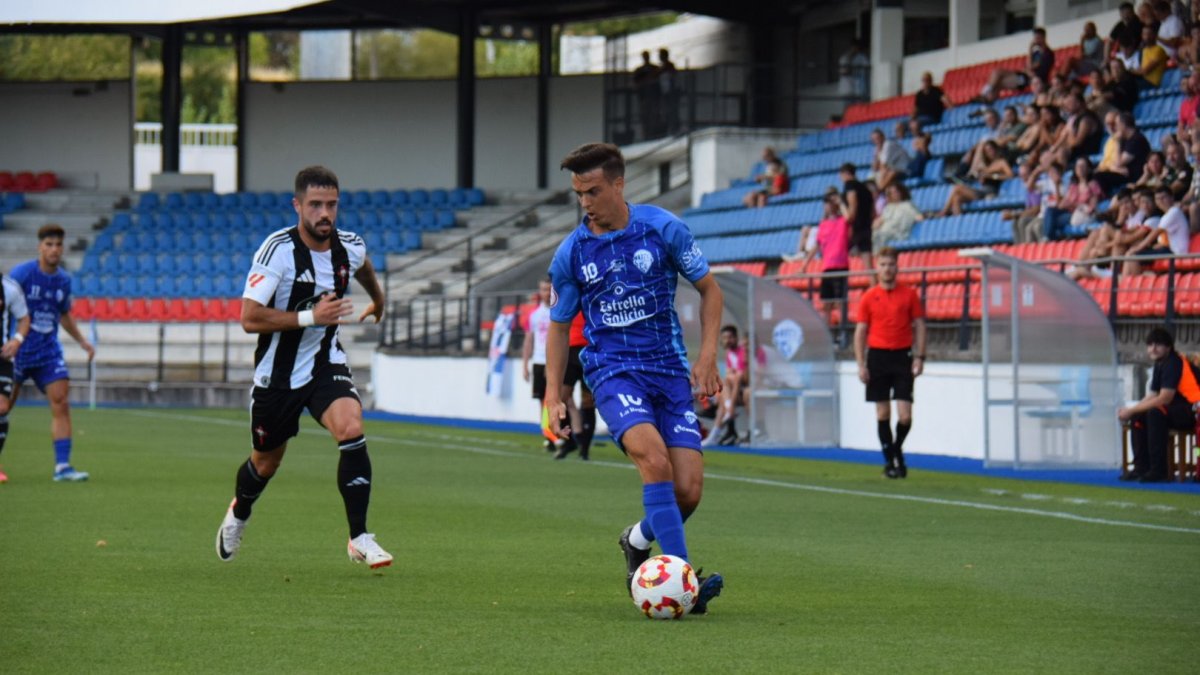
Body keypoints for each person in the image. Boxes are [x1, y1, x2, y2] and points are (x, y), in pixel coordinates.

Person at [544, 142, 724, 613]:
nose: (584, 202)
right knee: (655, 461)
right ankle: (685, 582)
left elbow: (710, 290)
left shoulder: (663, 229)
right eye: (578, 193)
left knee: (688, 491)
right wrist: (552, 395)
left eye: (593, 191)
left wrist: (707, 356)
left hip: (668, 372)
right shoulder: (571, 253)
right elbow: (560, 327)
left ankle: (637, 539)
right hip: (613, 372)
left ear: (619, 184)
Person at [215, 165, 393, 569]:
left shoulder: (348, 244)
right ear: (298, 205)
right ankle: (240, 510)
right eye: (315, 205)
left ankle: (359, 536)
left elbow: (362, 264)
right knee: (266, 463)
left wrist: (378, 299)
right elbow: (249, 318)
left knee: (351, 427)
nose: (324, 213)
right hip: (277, 375)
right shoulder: (276, 250)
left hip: (325, 362)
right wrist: (312, 317)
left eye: (331, 204)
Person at [8, 225, 95, 482]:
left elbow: (64, 313)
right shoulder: (22, 274)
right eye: (49, 244)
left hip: (47, 351)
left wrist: (82, 341)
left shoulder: (64, 280)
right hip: (17, 350)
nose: (54, 249)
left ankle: (63, 467)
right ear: (40, 247)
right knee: (3, 406)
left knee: (61, 402)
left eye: (58, 245)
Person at [854, 247, 926, 479]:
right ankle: (890, 462)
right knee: (882, 412)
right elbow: (860, 331)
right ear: (877, 267)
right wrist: (860, 363)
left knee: (905, 415)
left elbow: (920, 325)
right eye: (883, 264)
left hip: (902, 356)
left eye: (891, 264)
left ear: (897, 266)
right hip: (877, 357)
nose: (887, 269)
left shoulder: (909, 295)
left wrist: (920, 356)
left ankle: (896, 450)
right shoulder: (868, 296)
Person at [1118, 326, 1198, 483]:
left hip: (1194, 410)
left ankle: (1159, 470)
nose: (1153, 348)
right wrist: (1131, 410)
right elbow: (1152, 395)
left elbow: (1164, 398)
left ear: (1168, 347)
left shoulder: (1173, 363)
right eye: (1150, 345)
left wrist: (1131, 409)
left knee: (1155, 413)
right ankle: (1141, 467)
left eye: (1158, 345)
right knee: (1139, 416)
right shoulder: (1160, 364)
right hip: (1179, 410)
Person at [521, 277, 560, 453]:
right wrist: (525, 364)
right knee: (542, 402)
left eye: (548, 289)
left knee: (556, 399)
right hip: (538, 361)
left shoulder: (560, 311)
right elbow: (529, 340)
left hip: (554, 361)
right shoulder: (535, 315)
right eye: (543, 289)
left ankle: (559, 434)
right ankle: (548, 435)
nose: (545, 293)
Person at [0, 272, 30, 484]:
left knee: (2, 407)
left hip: (2, 356)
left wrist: (17, 340)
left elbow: (24, 318)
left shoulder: (9, 288)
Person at [1122, 186, 1190, 275]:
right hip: (1170, 250)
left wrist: (1139, 247)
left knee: (1133, 255)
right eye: (1158, 199)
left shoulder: (1174, 212)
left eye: (1163, 197)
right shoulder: (1167, 214)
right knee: (1130, 254)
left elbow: (1156, 232)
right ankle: (1125, 284)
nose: (1161, 201)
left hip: (1177, 253)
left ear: (1171, 197)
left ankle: (1132, 286)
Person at [976, 28, 1055, 103]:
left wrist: (1028, 70)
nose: (1035, 41)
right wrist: (1030, 49)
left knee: (998, 82)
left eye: (1037, 38)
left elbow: (1035, 73)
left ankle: (986, 97)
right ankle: (985, 95)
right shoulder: (1037, 52)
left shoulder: (1048, 54)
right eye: (1035, 38)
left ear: (1043, 38)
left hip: (1029, 80)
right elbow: (1029, 65)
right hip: (1024, 75)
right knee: (996, 72)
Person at [702, 325, 749, 447]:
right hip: (733, 389)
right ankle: (719, 433)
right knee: (723, 397)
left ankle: (716, 433)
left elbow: (739, 379)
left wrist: (731, 405)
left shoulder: (742, 352)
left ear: (735, 337)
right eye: (724, 338)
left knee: (728, 380)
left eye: (730, 337)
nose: (727, 340)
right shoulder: (730, 354)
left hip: (742, 388)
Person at [938, 140, 1012, 216]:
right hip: (982, 190)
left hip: (990, 192)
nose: (989, 153)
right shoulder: (987, 165)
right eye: (986, 152)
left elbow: (1010, 175)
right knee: (957, 198)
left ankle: (944, 212)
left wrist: (992, 176)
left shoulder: (1001, 162)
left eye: (990, 150)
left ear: (995, 149)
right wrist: (981, 177)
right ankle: (958, 220)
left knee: (957, 188)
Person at [560, 311, 595, 460]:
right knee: (561, 398)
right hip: (569, 351)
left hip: (588, 351)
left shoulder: (592, 298)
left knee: (588, 402)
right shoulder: (569, 297)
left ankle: (585, 448)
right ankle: (569, 441)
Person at [1094, 112, 1152, 194]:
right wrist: (1116, 169)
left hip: (1134, 175)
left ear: (1123, 125)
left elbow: (1119, 162)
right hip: (1124, 172)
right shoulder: (1125, 139)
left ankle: (1109, 197)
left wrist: (1117, 142)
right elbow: (1115, 163)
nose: (1116, 127)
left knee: (1100, 176)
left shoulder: (1136, 139)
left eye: (1117, 124)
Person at [840, 162, 875, 271]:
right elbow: (873, 212)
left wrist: (841, 204)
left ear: (845, 173)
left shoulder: (850, 185)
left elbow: (851, 214)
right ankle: (873, 285)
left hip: (855, 229)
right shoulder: (866, 189)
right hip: (866, 227)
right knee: (868, 265)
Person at [872, 182, 923, 251]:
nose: (894, 194)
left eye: (896, 192)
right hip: (885, 231)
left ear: (901, 192)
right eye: (891, 193)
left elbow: (919, 217)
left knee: (879, 236)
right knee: (871, 234)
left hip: (898, 233)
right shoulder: (888, 207)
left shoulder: (908, 205)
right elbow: (881, 220)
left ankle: (877, 257)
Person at [632, 51, 661, 139]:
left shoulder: (655, 68)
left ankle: (654, 134)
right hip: (644, 97)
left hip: (654, 97)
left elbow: (658, 79)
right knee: (645, 117)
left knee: (655, 116)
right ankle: (646, 135)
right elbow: (636, 82)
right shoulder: (639, 70)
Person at [1130, 22, 1169, 89]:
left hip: (1153, 83)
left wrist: (1130, 71)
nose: (1147, 37)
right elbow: (1141, 69)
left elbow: (1145, 71)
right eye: (1145, 34)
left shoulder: (1158, 50)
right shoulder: (1144, 50)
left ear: (1154, 35)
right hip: (1144, 81)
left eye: (1149, 34)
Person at [657, 48, 680, 135]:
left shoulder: (669, 66)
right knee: (666, 112)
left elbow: (673, 77)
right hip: (665, 92)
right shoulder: (662, 67)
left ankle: (674, 128)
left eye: (661, 55)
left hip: (671, 92)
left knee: (672, 111)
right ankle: (669, 129)